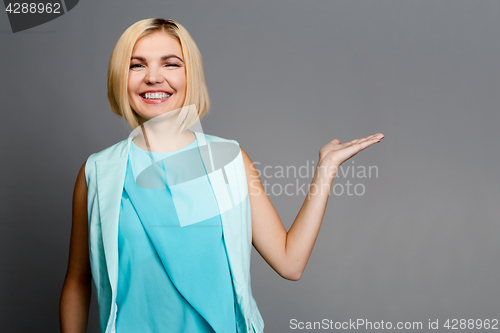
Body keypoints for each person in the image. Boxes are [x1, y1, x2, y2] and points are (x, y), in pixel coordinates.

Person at [59, 18, 384, 333]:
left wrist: (326, 169)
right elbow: (77, 280)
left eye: (170, 64)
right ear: (121, 76)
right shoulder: (98, 172)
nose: (153, 77)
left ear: (190, 76)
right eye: (137, 65)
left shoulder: (229, 160)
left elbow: (290, 262)